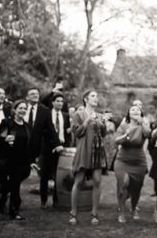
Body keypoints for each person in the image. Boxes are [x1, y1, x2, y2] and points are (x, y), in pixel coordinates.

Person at [68, 90, 109, 226]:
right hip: (84, 150)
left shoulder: (99, 115)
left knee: (97, 181)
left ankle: (94, 214)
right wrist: (87, 121)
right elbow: (77, 133)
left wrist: (103, 123)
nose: (96, 98)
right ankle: (73, 213)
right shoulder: (78, 114)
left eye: (97, 96)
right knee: (79, 181)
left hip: (97, 151)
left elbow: (103, 133)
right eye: (93, 96)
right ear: (86, 99)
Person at [0, 99, 34, 220]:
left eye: (25, 108)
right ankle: (1, 206)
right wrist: (4, 139)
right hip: (5, 159)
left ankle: (12, 210)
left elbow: (29, 145)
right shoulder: (7, 123)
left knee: (15, 185)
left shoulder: (28, 127)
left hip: (21, 161)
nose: (23, 110)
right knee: (6, 184)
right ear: (14, 110)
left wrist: (31, 161)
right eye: (20, 108)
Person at [113, 104, 150, 223]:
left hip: (139, 161)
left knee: (136, 188)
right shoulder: (124, 125)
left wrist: (142, 123)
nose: (135, 111)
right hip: (123, 160)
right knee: (123, 184)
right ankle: (122, 212)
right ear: (128, 113)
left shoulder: (144, 125)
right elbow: (116, 140)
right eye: (132, 109)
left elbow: (148, 134)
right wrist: (126, 134)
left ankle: (134, 209)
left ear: (141, 113)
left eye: (138, 110)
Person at [39, 93, 68, 208]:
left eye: (62, 101)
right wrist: (52, 144)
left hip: (61, 147)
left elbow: (66, 132)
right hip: (48, 147)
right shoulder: (46, 114)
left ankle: (57, 200)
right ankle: (43, 200)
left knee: (59, 174)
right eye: (58, 101)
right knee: (45, 175)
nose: (60, 103)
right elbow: (44, 131)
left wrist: (65, 144)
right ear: (52, 102)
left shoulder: (65, 116)